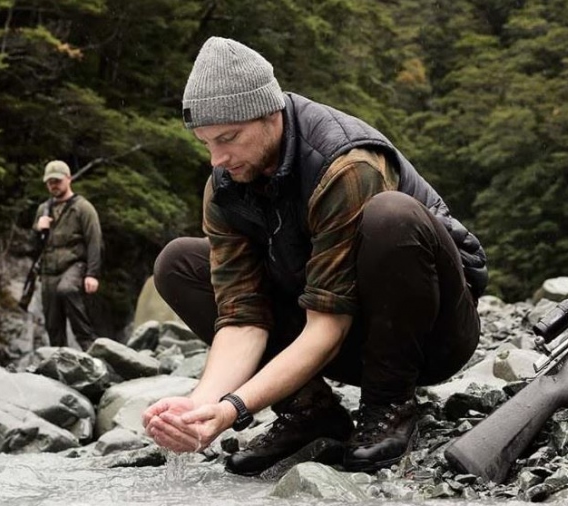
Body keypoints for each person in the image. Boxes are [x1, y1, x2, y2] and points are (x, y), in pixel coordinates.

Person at [142, 37, 487, 476]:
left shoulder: (346, 164)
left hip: (430, 334)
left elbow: (329, 324)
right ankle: (309, 412)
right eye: (206, 143)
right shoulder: (226, 183)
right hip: (333, 329)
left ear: (271, 115)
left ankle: (389, 405)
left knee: (392, 215)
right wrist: (199, 406)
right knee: (178, 263)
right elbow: (242, 319)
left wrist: (235, 409)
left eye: (228, 139)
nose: (218, 159)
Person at [32, 160, 103, 350]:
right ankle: (59, 365)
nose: (54, 185)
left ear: (68, 179)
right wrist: (39, 229)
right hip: (48, 271)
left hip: (74, 265)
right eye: (50, 182)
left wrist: (92, 274)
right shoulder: (43, 210)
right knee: (53, 326)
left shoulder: (83, 207)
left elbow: (94, 241)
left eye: (57, 180)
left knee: (67, 290)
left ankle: (92, 349)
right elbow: (35, 246)